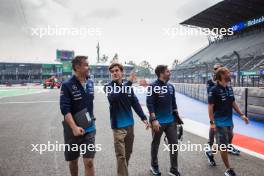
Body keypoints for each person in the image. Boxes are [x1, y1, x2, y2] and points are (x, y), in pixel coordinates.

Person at [104, 62, 149, 176]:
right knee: (121, 156)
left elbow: (135, 103)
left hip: (130, 125)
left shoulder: (128, 87)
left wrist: (143, 117)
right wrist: (129, 83)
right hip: (118, 127)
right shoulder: (108, 87)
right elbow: (114, 98)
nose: (114, 73)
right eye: (112, 71)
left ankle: (122, 172)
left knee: (128, 153)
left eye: (116, 70)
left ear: (121, 72)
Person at [208, 67, 249, 176]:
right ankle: (228, 169)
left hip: (229, 122)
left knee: (225, 143)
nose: (229, 74)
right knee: (223, 146)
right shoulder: (214, 90)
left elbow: (233, 103)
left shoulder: (229, 88)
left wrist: (242, 115)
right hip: (219, 122)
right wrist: (212, 123)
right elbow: (210, 107)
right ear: (221, 75)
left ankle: (210, 152)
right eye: (227, 73)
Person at [60, 56, 96, 176]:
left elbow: (89, 104)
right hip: (72, 130)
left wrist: (91, 117)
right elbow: (65, 110)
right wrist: (74, 127)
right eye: (86, 65)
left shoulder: (90, 83)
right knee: (73, 161)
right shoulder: (67, 85)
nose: (88, 67)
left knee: (89, 162)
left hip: (89, 128)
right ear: (77, 67)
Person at [147, 65, 183, 176]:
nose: (170, 73)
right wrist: (154, 119)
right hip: (158, 121)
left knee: (174, 144)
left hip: (171, 121)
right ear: (161, 73)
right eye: (168, 71)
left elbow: (174, 103)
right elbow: (149, 104)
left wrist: (177, 118)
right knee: (155, 144)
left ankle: (173, 168)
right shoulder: (152, 86)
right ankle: (154, 166)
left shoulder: (171, 87)